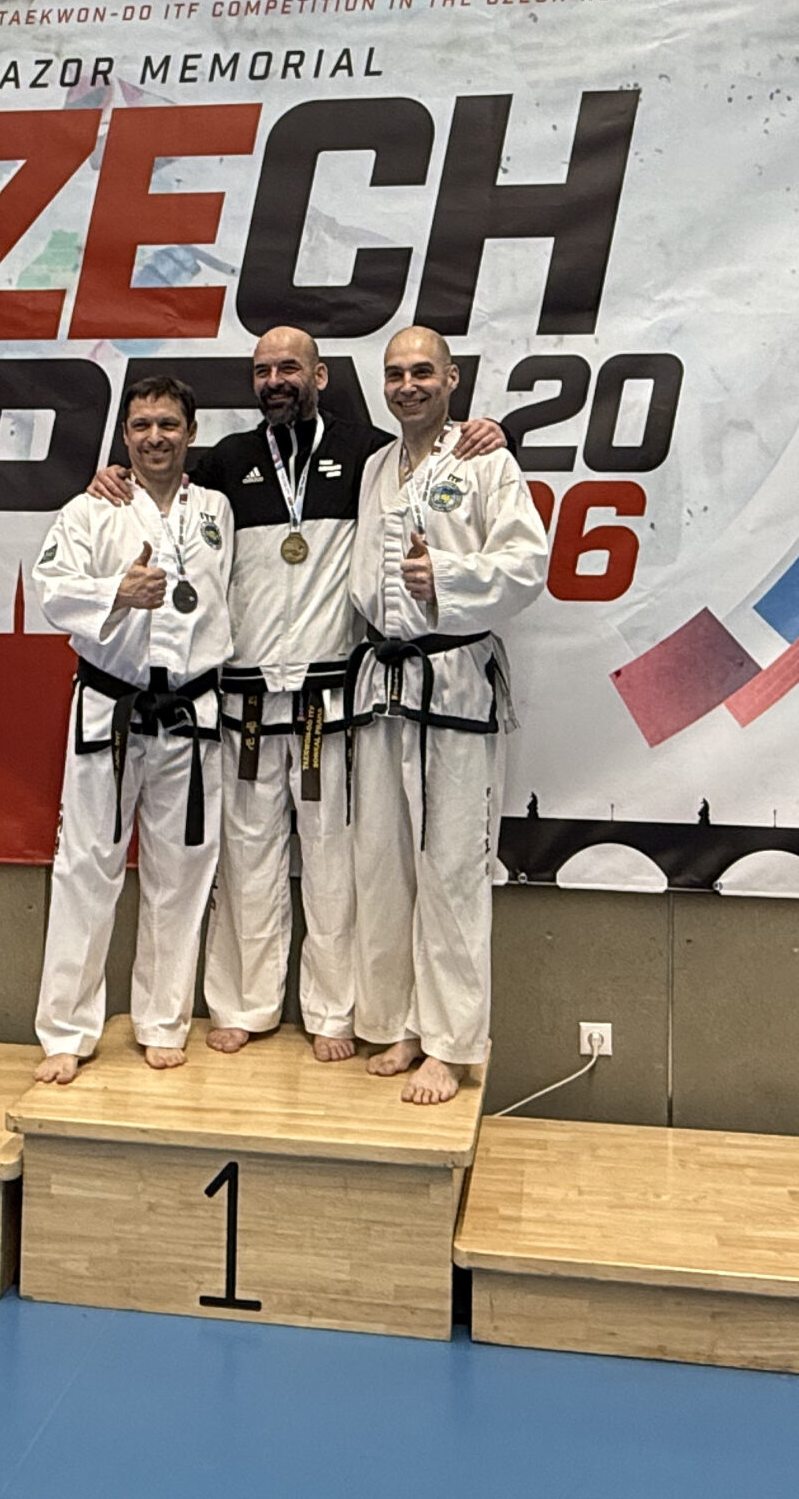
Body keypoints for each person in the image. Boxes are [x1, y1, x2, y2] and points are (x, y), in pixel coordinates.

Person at [91, 333, 504, 1063]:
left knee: (335, 861)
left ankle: (332, 1010)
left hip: (329, 696)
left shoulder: (369, 455)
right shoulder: (226, 464)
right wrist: (111, 478)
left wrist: (492, 433)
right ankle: (242, 1004)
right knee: (245, 857)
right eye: (262, 371)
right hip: (247, 692)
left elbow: (433, 452)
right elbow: (160, 486)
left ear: (320, 375)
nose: (275, 380)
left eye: (289, 367)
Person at [349, 326, 547, 1104]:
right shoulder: (376, 466)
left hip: (455, 676)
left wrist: (450, 579)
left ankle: (452, 1043)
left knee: (454, 867)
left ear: (452, 378)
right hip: (383, 682)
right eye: (396, 374)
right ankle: (400, 1021)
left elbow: (527, 565)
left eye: (422, 372)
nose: (408, 385)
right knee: (385, 861)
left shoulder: (486, 460)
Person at [30, 374, 236, 1085]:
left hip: (191, 711)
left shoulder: (216, 511)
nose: (156, 437)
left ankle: (162, 1020)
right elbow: (51, 589)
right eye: (142, 425)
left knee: (182, 871)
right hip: (110, 708)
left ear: (191, 433)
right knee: (86, 867)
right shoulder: (92, 509)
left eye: (169, 424)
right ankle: (67, 1030)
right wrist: (115, 593)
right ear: (124, 435)